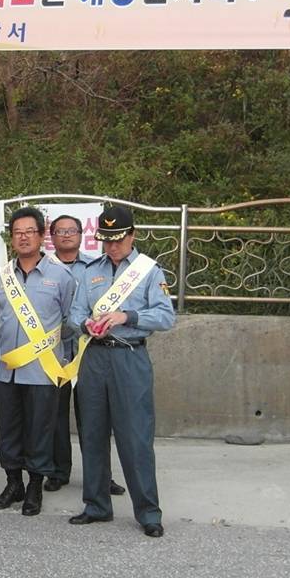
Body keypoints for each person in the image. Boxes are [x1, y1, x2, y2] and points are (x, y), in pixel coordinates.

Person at [67, 203, 176, 538]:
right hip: (94, 357)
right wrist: (85, 325)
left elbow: (166, 316)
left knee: (135, 436)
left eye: (118, 239)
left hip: (130, 356)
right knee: (92, 433)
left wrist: (128, 316)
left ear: (132, 235)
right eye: (106, 239)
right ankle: (96, 505)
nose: (111, 246)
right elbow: (74, 314)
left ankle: (148, 512)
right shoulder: (90, 271)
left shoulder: (148, 271)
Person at [0, 206, 76, 517]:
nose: (23, 237)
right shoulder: (2, 276)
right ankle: (13, 482)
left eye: (29, 232)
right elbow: (0, 316)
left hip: (43, 370)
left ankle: (35, 485)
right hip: (7, 369)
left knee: (40, 430)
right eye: (17, 233)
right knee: (8, 430)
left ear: (41, 237)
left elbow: (69, 321)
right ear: (11, 238)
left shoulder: (61, 276)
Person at [46, 213, 126, 496]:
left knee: (94, 418)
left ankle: (102, 476)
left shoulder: (96, 267)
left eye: (72, 230)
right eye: (60, 231)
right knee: (55, 416)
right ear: (51, 237)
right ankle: (58, 471)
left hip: (90, 350)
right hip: (53, 352)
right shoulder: (44, 267)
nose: (66, 235)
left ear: (82, 235)